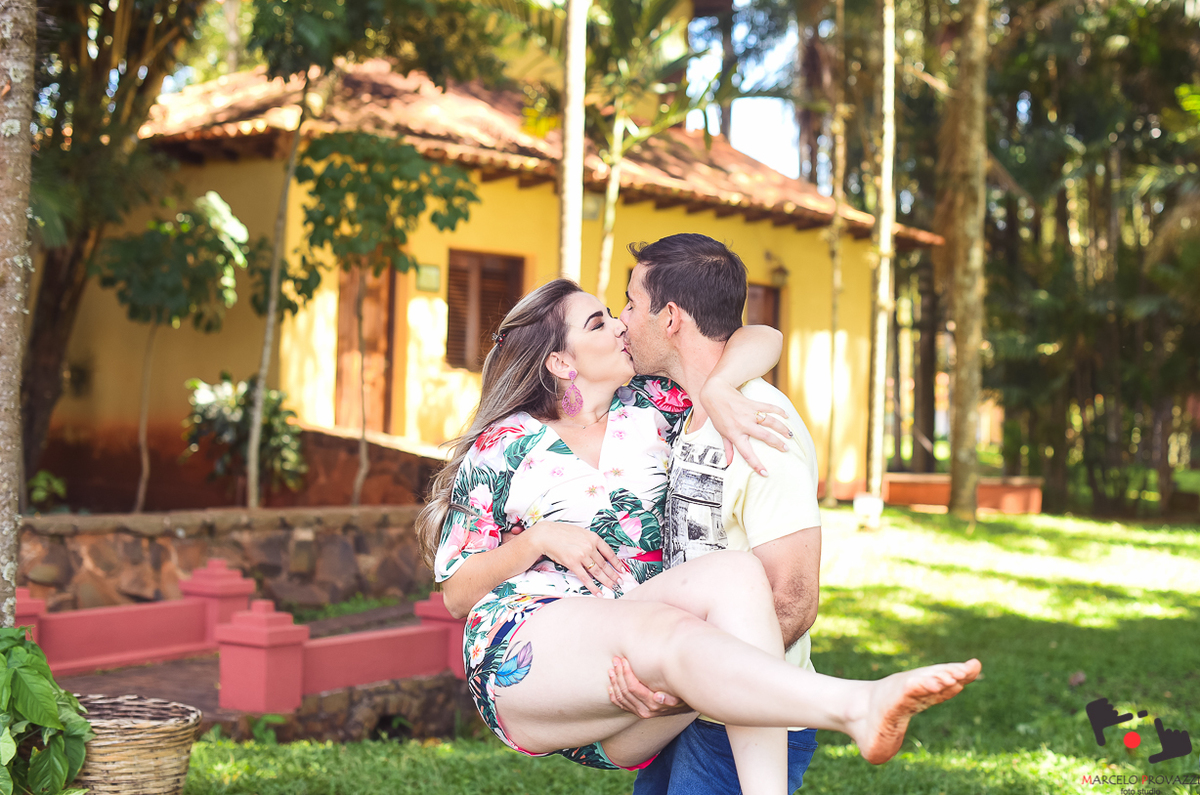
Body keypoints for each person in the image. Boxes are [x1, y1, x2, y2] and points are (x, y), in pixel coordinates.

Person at [415, 278, 981, 795]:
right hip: (530, 654)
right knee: (668, 630)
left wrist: (723, 387)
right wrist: (536, 540)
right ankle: (855, 704)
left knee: (736, 575)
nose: (619, 325)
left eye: (615, 312)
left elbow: (762, 337)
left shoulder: (655, 407)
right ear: (562, 362)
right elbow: (457, 594)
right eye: (597, 323)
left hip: (637, 680)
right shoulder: (503, 446)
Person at [609, 233, 823, 794]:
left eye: (631, 303)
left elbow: (793, 600)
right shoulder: (690, 410)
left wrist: (689, 682)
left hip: (744, 716)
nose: (622, 320)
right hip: (685, 709)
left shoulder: (761, 425)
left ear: (670, 318)